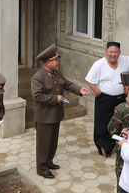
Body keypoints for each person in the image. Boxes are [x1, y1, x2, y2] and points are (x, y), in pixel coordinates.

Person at [31, 44, 90, 179]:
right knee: (43, 143)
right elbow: (38, 96)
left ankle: (49, 161)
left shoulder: (56, 73)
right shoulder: (38, 77)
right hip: (44, 117)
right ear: (48, 62)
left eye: (58, 59)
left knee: (52, 141)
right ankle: (42, 168)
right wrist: (55, 98)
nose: (58, 62)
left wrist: (79, 90)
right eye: (55, 60)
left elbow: (67, 84)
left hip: (55, 115)